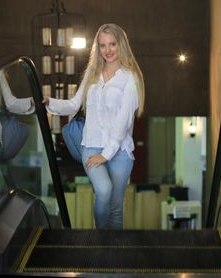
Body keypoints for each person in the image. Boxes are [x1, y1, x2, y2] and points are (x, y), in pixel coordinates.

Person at [43, 23, 145, 229]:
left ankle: (113, 252)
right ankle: (98, 239)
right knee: (104, 190)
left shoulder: (130, 78)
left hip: (120, 151)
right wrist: (49, 102)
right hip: (91, 145)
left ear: (121, 45)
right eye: (102, 45)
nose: (107, 50)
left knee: (116, 207)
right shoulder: (92, 74)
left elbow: (122, 122)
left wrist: (106, 155)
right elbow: (73, 104)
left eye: (112, 44)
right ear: (97, 48)